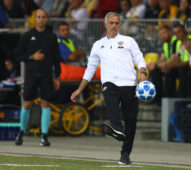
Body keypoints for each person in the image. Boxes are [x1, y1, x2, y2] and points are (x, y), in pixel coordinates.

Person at [71, 12, 147, 164]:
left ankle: (125, 154)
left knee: (131, 121)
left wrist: (143, 72)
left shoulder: (128, 41)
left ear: (120, 25)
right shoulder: (98, 45)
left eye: (117, 23)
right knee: (111, 105)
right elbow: (90, 69)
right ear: (105, 24)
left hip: (130, 84)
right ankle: (117, 128)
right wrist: (79, 89)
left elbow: (139, 57)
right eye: (111, 23)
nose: (114, 26)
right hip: (109, 83)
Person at [14, 9, 61, 146]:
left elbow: (56, 58)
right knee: (27, 103)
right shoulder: (27, 35)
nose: (41, 19)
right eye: (38, 17)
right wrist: (31, 57)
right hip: (31, 74)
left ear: (47, 19)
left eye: (43, 17)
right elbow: (17, 55)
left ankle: (44, 135)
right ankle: (21, 132)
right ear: (35, 19)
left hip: (47, 75)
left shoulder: (52, 36)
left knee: (46, 103)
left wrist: (57, 76)